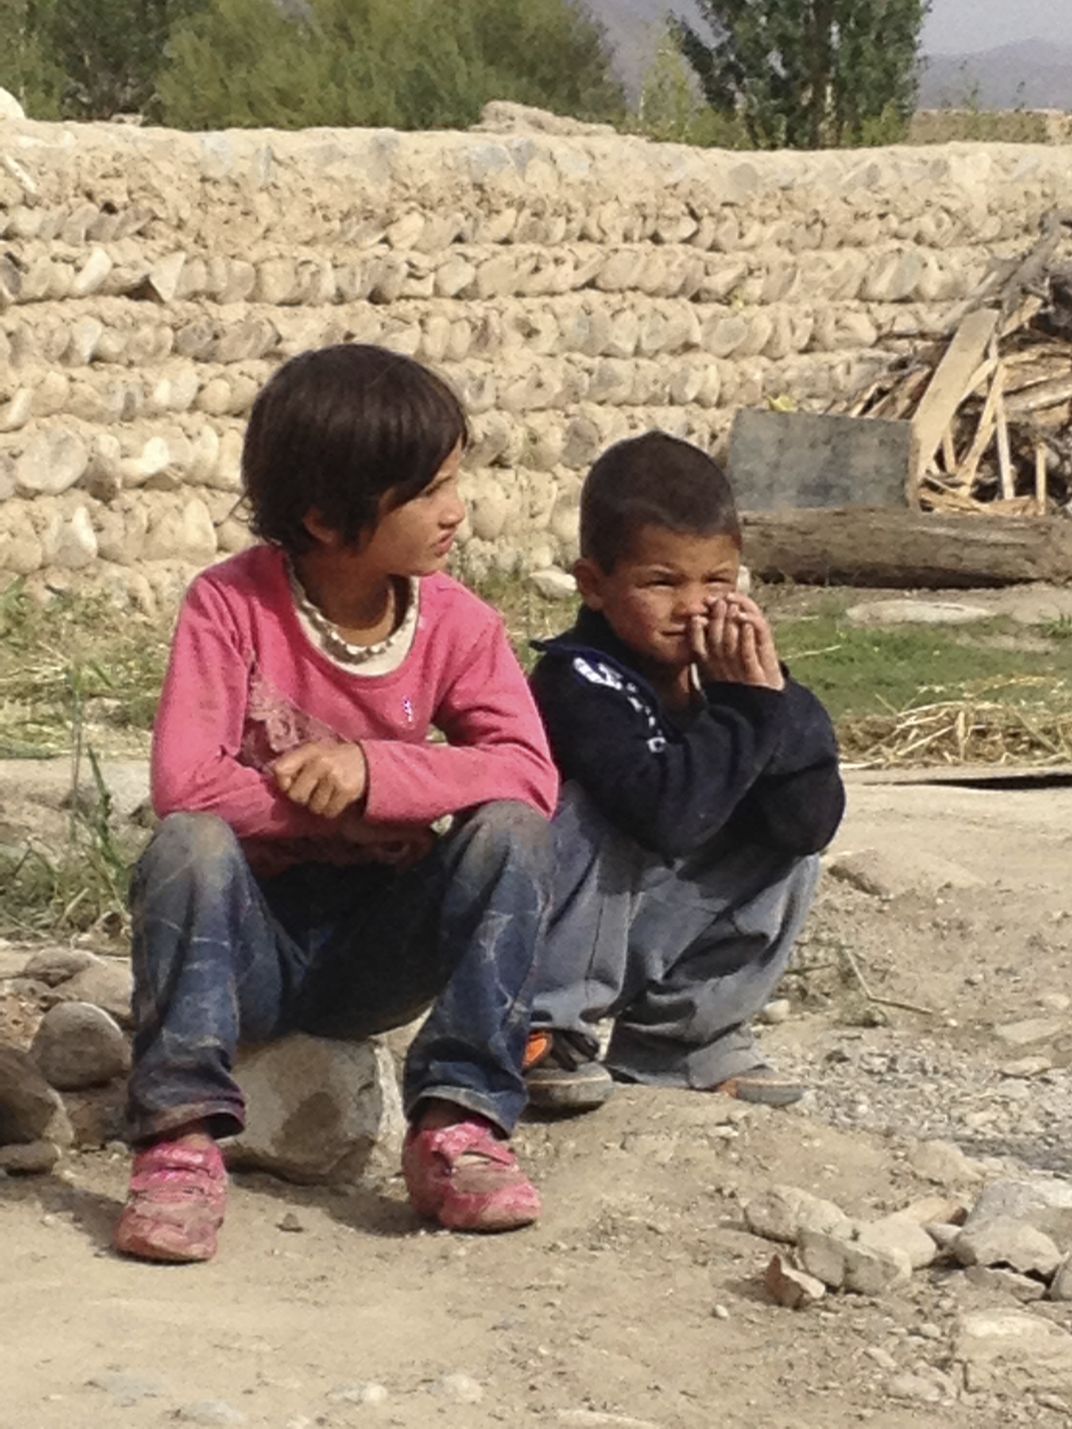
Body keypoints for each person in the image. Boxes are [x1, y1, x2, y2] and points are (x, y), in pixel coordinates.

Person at [116, 344, 559, 1263]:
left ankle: (459, 1122)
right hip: (249, 950)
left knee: (511, 836)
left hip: (379, 952)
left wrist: (379, 773)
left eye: (455, 479)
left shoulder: (458, 624)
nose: (456, 509)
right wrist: (342, 810)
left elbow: (527, 770)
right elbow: (186, 784)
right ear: (325, 516)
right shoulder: (230, 606)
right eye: (429, 490)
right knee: (188, 845)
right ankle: (179, 1141)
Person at [522, 431, 844, 1113]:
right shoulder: (577, 679)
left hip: (646, 928)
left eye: (717, 581)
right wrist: (743, 713)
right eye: (662, 582)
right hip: (553, 930)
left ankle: (681, 1041)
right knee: (591, 814)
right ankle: (545, 1028)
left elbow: (810, 820)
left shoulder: (734, 682)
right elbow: (665, 814)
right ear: (595, 585)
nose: (694, 605)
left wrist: (772, 704)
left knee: (788, 852)